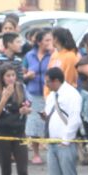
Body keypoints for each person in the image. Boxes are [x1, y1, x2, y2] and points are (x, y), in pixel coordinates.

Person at [42, 67, 81, 175]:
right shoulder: (52, 96)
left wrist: (67, 139)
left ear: (56, 81)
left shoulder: (72, 94)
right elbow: (49, 113)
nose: (47, 85)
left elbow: (74, 118)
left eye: (48, 82)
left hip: (65, 142)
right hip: (52, 142)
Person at [23, 29, 53, 164]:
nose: (49, 43)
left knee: (51, 122)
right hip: (33, 93)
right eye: (47, 40)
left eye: (51, 40)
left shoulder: (53, 55)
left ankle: (52, 150)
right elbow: (21, 75)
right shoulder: (29, 56)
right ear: (39, 42)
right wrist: (27, 76)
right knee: (34, 124)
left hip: (49, 93)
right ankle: (35, 153)